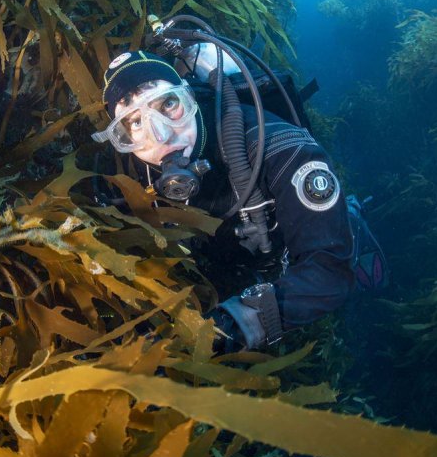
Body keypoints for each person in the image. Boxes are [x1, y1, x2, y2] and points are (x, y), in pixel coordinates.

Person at [92, 49, 355, 351]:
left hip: (279, 261)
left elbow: (330, 269)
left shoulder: (280, 149)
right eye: (135, 123)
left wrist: (236, 325)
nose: (161, 136)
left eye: (168, 104)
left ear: (190, 98)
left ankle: (355, 214)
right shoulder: (126, 176)